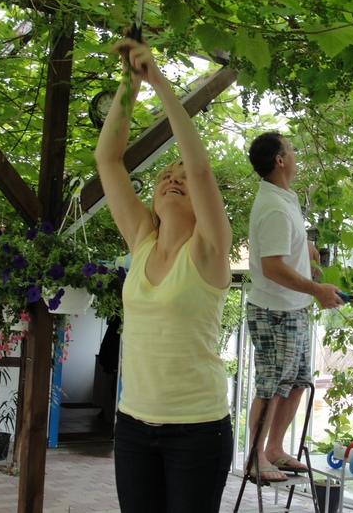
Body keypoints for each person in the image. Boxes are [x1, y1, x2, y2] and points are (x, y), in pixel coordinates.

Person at [94, 35, 233, 513]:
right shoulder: (141, 240)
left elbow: (201, 170)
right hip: (133, 424)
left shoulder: (211, 251)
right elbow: (107, 160)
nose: (173, 180)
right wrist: (130, 83)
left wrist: (160, 83)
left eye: (180, 180)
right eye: (163, 178)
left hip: (197, 430)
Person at [245, 132, 345, 482]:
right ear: (280, 160)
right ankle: (255, 458)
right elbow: (271, 266)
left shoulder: (282, 198)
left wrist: (307, 253)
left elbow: (281, 250)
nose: (296, 154)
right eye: (292, 149)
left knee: (299, 382)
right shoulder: (274, 206)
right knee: (271, 386)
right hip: (274, 312)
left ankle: (274, 449)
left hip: (293, 309)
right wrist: (317, 288)